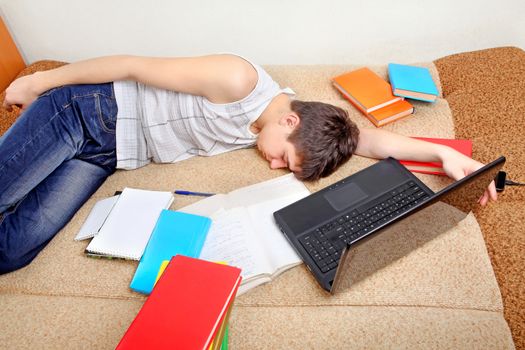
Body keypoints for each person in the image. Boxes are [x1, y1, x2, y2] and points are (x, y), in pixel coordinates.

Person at [0, 53, 496, 273]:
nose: (277, 167)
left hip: (107, 153)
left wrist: (444, 155)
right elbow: (131, 64)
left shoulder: (284, 127)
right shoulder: (237, 80)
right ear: (289, 124)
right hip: (81, 112)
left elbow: (367, 142)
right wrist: (38, 83)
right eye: (286, 159)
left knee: (14, 252)